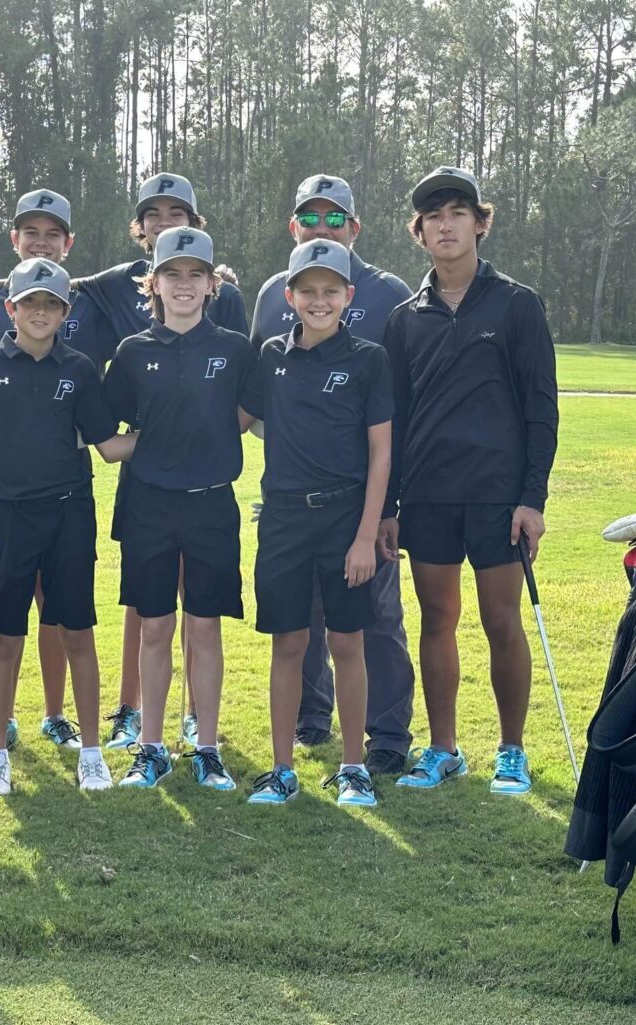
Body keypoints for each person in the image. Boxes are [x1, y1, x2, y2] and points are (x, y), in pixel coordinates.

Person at [0, 173, 247, 752]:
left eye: (177, 213)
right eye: (154, 214)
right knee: (144, 604)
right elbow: (53, 282)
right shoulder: (113, 286)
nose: (166, 223)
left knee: (200, 610)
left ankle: (194, 724)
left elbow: (238, 397)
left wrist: (199, 436)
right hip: (137, 484)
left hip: (202, 483)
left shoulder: (226, 299)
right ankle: (132, 716)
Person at [380, 167, 559, 795]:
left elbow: (541, 408)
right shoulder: (405, 318)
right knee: (437, 620)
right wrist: (389, 506)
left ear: (480, 223)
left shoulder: (517, 305)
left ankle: (511, 750)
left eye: (458, 212)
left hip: (497, 496)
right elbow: (394, 420)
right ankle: (443, 749)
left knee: (500, 621)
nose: (446, 225)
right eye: (434, 216)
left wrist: (531, 499)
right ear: (420, 232)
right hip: (428, 494)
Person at [0, 258, 137, 795]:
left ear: (64, 312)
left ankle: (93, 754)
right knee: (5, 636)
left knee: (77, 630)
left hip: (70, 513)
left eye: (50, 304)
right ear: (10, 308)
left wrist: (172, 430)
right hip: (7, 518)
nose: (39, 311)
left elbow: (106, 446)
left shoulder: (79, 368)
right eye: (29, 302)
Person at [249, 174, 417, 776]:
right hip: (293, 494)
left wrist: (384, 512)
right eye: (310, 218)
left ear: (355, 227)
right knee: (301, 623)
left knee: (373, 619)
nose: (323, 226)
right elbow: (251, 392)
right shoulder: (273, 293)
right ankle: (311, 720)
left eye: (334, 217)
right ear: (295, 226)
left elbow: (394, 415)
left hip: (363, 495)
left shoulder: (390, 291)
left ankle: (389, 734)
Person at [239, 240, 392, 808]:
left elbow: (381, 455)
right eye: (308, 290)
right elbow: (233, 418)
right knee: (289, 642)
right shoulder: (271, 356)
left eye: (331, 291)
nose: (319, 300)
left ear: (348, 297)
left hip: (344, 521)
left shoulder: (368, 359)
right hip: (280, 519)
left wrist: (363, 536)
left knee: (347, 642)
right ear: (290, 296)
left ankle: (353, 767)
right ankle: (283, 769)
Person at [101, 227, 255, 790]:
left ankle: (207, 746)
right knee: (153, 627)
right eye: (173, 274)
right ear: (154, 284)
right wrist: (157, 443)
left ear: (213, 285)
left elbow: (247, 415)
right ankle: (151, 747)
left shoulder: (236, 349)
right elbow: (107, 431)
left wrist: (203, 441)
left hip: (213, 503)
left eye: (196, 275)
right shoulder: (134, 352)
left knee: (205, 625)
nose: (184, 285)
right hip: (149, 506)